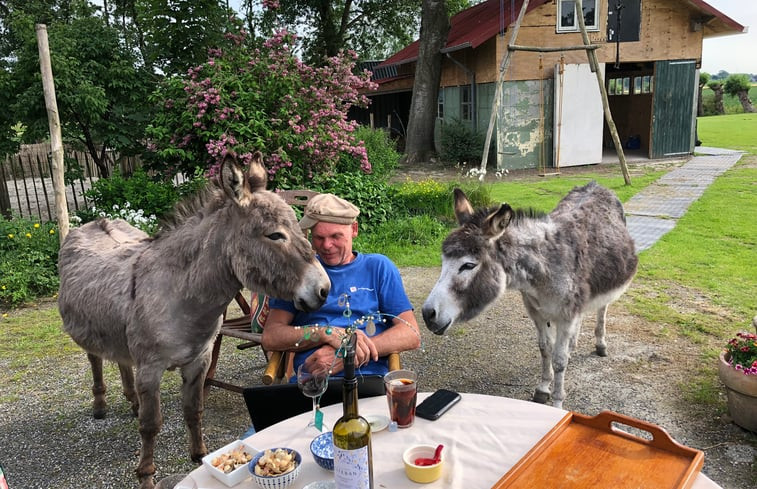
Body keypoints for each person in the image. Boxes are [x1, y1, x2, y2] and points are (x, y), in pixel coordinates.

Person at [261, 193, 421, 379]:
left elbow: (411, 333)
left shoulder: (378, 267)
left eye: (335, 236)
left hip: (369, 381)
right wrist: (324, 333)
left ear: (354, 229)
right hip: (313, 382)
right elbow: (271, 336)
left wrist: (347, 354)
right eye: (319, 237)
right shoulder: (297, 272)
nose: (327, 245)